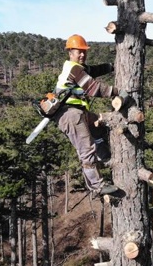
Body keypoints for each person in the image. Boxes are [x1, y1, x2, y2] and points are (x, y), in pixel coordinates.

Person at [53, 34, 119, 197]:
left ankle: (104, 156)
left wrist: (111, 66)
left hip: (79, 113)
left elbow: (94, 70)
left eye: (84, 51)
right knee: (86, 149)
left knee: (99, 124)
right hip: (70, 114)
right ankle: (97, 186)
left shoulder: (79, 68)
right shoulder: (73, 68)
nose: (82, 54)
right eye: (78, 51)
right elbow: (94, 88)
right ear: (70, 52)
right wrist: (118, 92)